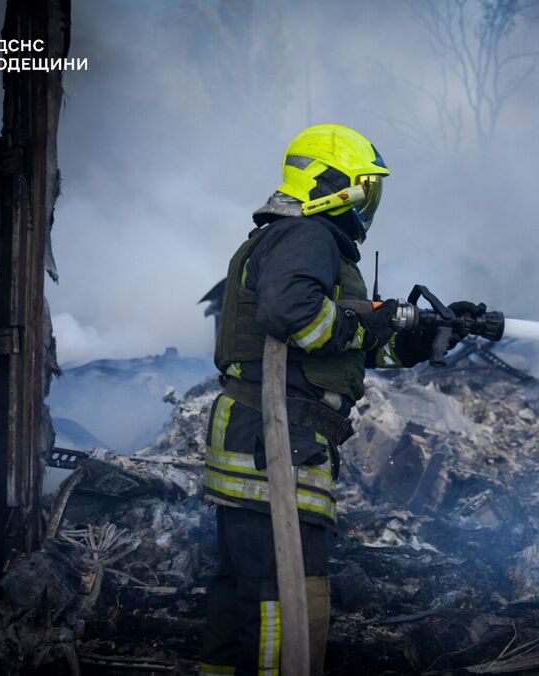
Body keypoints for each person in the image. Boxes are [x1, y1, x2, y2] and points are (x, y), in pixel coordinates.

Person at [198, 124, 484, 675]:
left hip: (264, 446)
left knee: (240, 610)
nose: (370, 203)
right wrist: (367, 318)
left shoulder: (297, 241)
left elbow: (342, 349)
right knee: (287, 610)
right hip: (275, 449)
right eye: (366, 188)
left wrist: (430, 332)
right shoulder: (306, 235)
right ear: (336, 185)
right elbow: (296, 317)